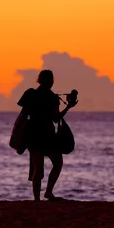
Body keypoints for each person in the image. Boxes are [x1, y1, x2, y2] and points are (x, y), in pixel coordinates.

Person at [17, 69, 78, 201]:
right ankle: (48, 193)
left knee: (38, 168)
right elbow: (56, 118)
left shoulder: (31, 94)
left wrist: (19, 134)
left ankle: (37, 199)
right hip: (46, 135)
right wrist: (68, 107)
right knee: (57, 163)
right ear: (51, 81)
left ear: (39, 80)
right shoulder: (52, 98)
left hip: (33, 135)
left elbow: (23, 115)